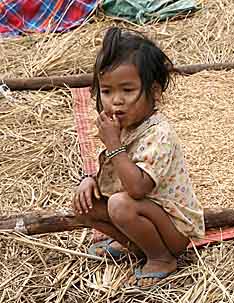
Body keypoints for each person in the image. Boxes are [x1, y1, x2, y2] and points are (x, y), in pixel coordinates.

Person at [72, 27, 204, 288]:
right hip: (141, 212)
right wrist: (89, 180)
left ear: (154, 92)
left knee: (120, 205)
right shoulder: (122, 127)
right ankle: (133, 246)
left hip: (173, 228)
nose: (116, 102)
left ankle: (161, 257)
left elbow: (136, 187)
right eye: (107, 92)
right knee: (83, 205)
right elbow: (111, 173)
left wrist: (113, 144)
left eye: (128, 90)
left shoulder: (159, 133)